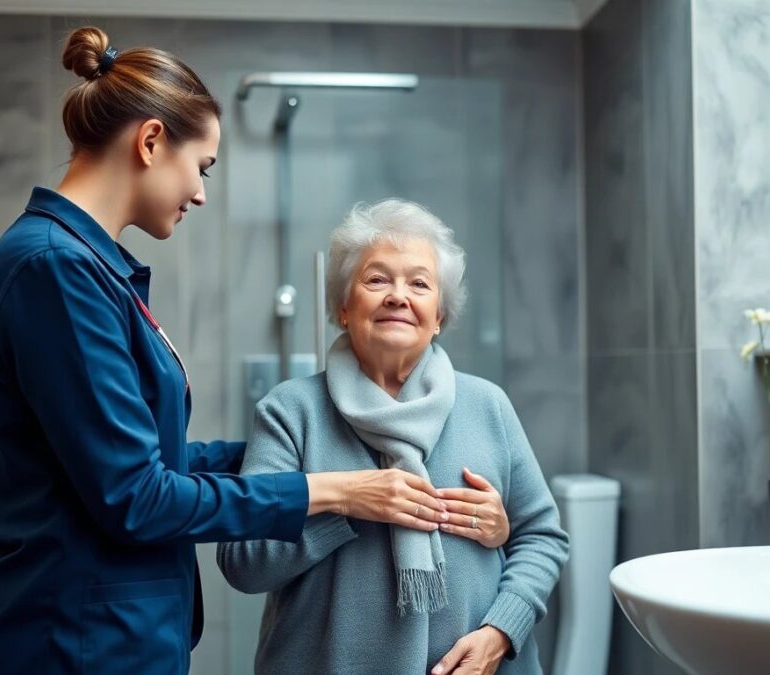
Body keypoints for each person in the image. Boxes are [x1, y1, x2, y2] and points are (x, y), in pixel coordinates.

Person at [0, 28, 455, 675]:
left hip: (97, 634)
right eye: (204, 166)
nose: (202, 193)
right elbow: (139, 496)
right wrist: (329, 488)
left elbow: (136, 457)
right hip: (71, 640)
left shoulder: (84, 269)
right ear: (152, 140)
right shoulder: (56, 271)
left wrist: (305, 445)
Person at [218, 199, 569, 675]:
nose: (398, 296)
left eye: (419, 284)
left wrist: (500, 632)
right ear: (343, 308)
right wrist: (345, 505)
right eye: (377, 279)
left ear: (439, 315)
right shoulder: (290, 410)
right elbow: (243, 562)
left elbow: (542, 536)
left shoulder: (488, 405)